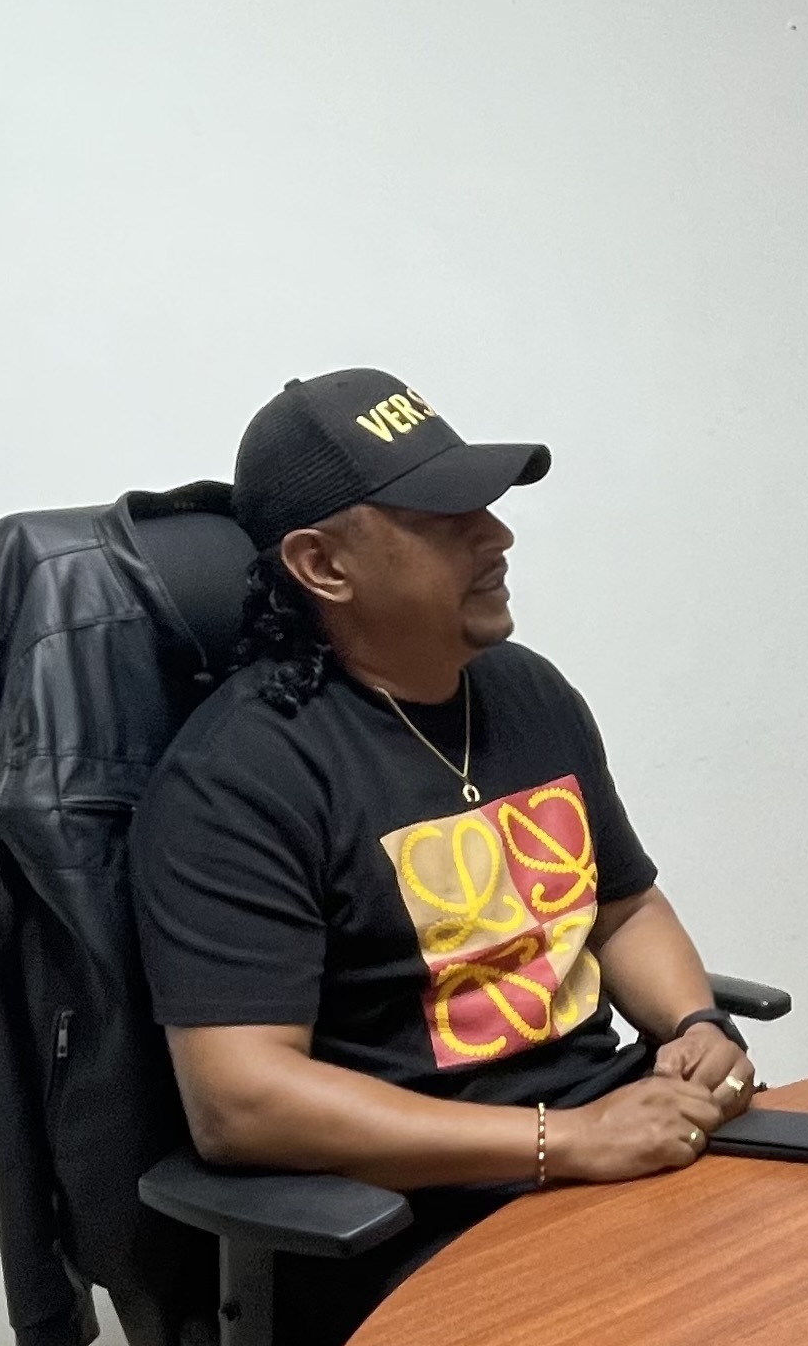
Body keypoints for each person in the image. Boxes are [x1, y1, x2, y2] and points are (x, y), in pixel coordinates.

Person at [132, 367, 758, 1239]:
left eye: (487, 507)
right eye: (441, 519)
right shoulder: (237, 779)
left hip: (621, 1146)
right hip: (433, 1214)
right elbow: (241, 1103)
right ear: (322, 565)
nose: (497, 536)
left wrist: (695, 1024)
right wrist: (565, 1141)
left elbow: (624, 909)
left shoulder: (527, 693)